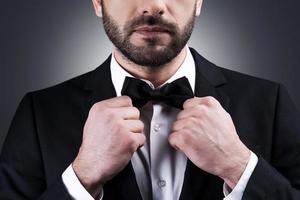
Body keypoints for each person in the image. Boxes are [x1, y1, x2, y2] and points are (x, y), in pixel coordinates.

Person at [1, 0, 300, 199]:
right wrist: (83, 175)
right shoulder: (38, 112)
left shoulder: (270, 102)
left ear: (198, 1)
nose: (153, 5)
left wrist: (239, 166)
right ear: (97, 2)